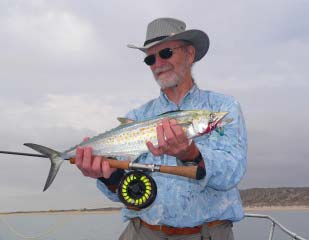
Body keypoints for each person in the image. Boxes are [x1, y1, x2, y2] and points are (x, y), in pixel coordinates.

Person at [75, 18, 247, 240]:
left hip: (207, 233)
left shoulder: (222, 109)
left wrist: (192, 155)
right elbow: (125, 191)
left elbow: (233, 171)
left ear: (190, 53)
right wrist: (107, 176)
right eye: (150, 58)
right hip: (142, 232)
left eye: (165, 53)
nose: (157, 63)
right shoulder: (136, 118)